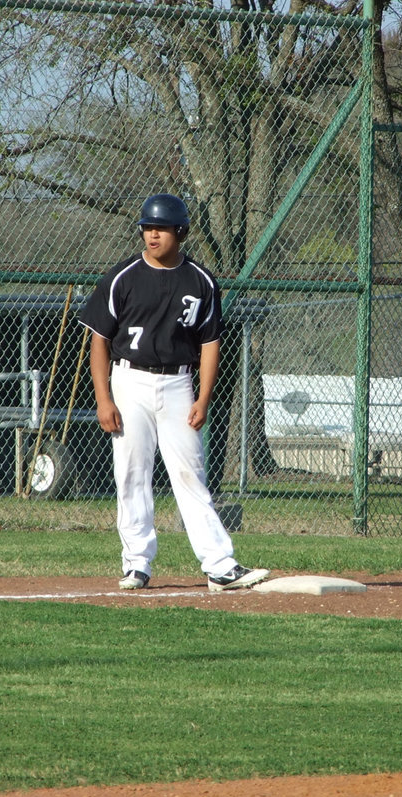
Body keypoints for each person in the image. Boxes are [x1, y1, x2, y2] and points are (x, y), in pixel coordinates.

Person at [78, 193, 270, 592]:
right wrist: (103, 398)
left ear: (180, 232)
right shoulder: (122, 277)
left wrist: (203, 398)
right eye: (147, 227)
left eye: (161, 228)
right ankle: (137, 564)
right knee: (131, 474)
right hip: (129, 380)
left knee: (190, 474)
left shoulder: (200, 281)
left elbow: (210, 343)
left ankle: (219, 565)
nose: (152, 235)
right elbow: (98, 340)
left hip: (179, 382)